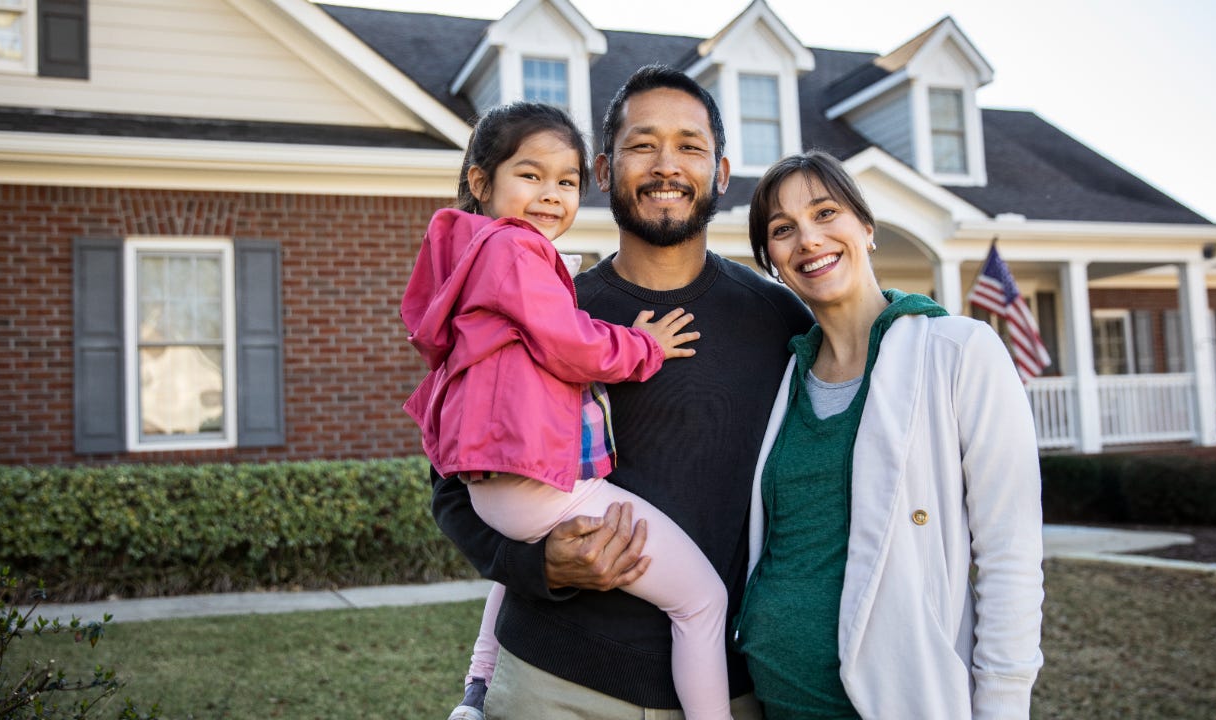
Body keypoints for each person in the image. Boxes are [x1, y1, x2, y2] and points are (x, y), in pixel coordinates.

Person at [430, 66, 812, 719]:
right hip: (553, 682)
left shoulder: (782, 320)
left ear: (721, 172)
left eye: (689, 145)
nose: (667, 164)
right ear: (603, 170)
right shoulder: (548, 313)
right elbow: (454, 488)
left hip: (729, 685)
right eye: (643, 144)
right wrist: (540, 565)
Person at [733, 149, 1045, 719]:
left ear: (866, 228)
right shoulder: (784, 376)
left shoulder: (958, 351)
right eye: (783, 229)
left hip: (894, 702)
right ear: (773, 262)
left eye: (826, 213)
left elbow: (1010, 553)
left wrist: (1002, 704)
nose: (808, 239)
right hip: (774, 700)